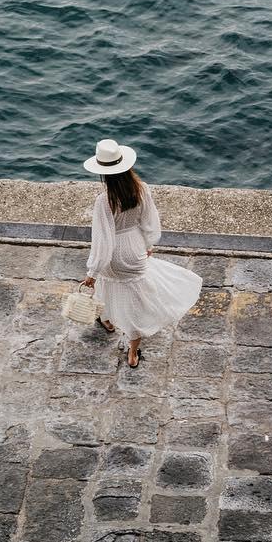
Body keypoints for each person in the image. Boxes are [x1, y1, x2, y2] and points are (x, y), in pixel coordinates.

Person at [82, 138, 202, 369]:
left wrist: (93, 271)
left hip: (114, 255)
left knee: (106, 284)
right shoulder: (141, 188)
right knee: (134, 297)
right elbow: (149, 222)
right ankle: (132, 353)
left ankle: (106, 319)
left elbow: (102, 241)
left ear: (102, 172)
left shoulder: (103, 201)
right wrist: (147, 245)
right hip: (135, 248)